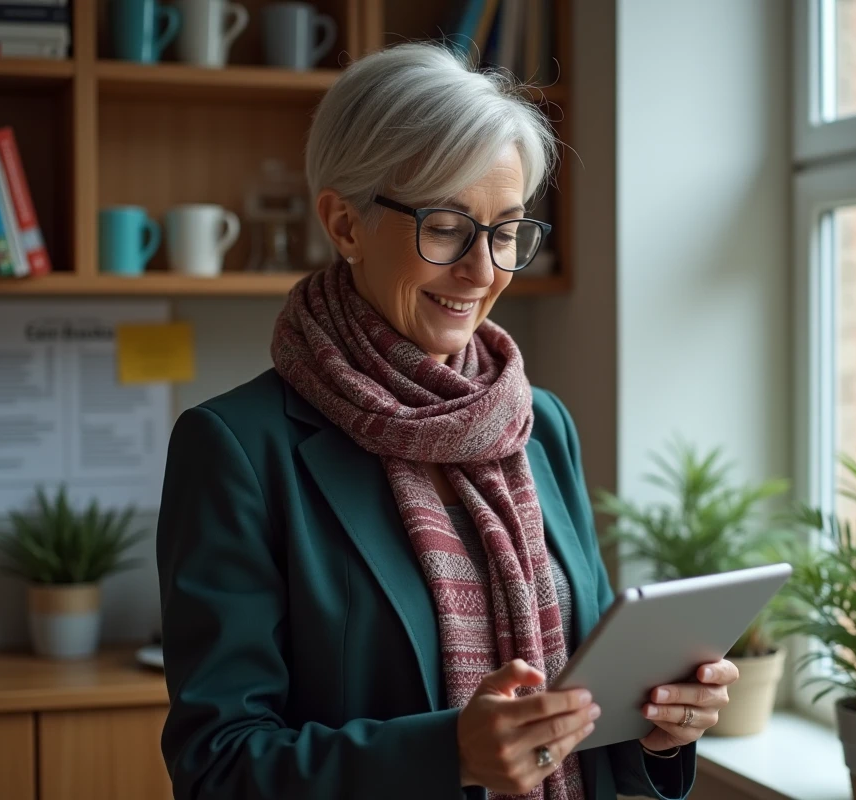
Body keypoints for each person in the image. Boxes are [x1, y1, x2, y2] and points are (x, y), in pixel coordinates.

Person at [156, 42, 738, 800]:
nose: (484, 269)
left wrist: (659, 728)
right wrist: (449, 755)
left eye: (506, 230)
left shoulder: (542, 424)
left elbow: (579, 714)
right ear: (346, 222)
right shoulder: (238, 449)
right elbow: (217, 768)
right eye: (446, 226)